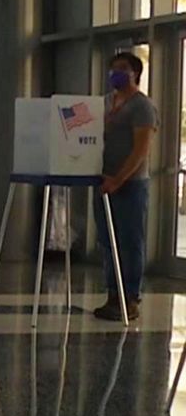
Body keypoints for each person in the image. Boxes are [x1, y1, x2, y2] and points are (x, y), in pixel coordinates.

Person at [94, 52, 159, 321]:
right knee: (108, 241)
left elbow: (141, 150)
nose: (115, 74)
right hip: (103, 182)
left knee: (130, 242)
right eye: (112, 69)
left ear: (135, 74)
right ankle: (113, 293)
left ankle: (131, 296)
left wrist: (118, 179)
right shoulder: (106, 103)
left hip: (130, 184)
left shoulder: (142, 107)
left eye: (121, 69)